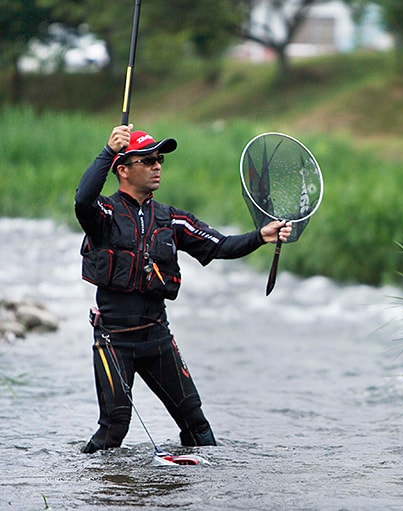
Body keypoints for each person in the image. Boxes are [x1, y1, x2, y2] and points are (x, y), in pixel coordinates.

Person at [75, 124, 291, 453]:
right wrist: (108, 150)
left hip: (157, 336)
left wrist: (261, 236)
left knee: (196, 423)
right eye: (147, 160)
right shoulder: (103, 213)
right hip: (112, 339)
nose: (157, 165)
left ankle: (202, 490)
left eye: (159, 159)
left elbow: (221, 246)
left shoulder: (172, 220)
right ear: (122, 170)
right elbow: (82, 199)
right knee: (114, 427)